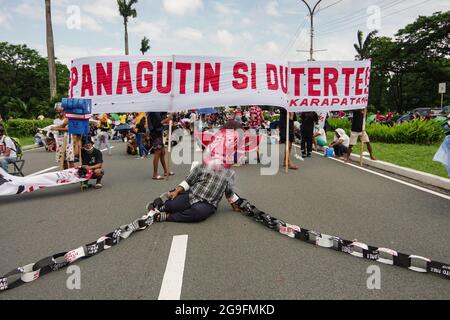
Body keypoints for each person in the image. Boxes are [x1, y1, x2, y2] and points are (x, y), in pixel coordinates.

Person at [147, 159, 241, 223]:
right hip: (192, 195)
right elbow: (188, 181)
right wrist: (176, 191)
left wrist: (234, 205)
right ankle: (162, 207)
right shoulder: (202, 166)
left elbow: (229, 192)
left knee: (198, 213)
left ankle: (168, 217)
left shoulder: (230, 173)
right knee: (172, 205)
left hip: (209, 203)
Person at [147, 112, 173, 180]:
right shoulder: (153, 112)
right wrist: (167, 119)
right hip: (155, 133)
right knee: (157, 152)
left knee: (162, 152)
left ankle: (165, 171)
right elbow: (157, 124)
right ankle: (155, 174)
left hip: (158, 133)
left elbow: (161, 117)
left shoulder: (157, 111)